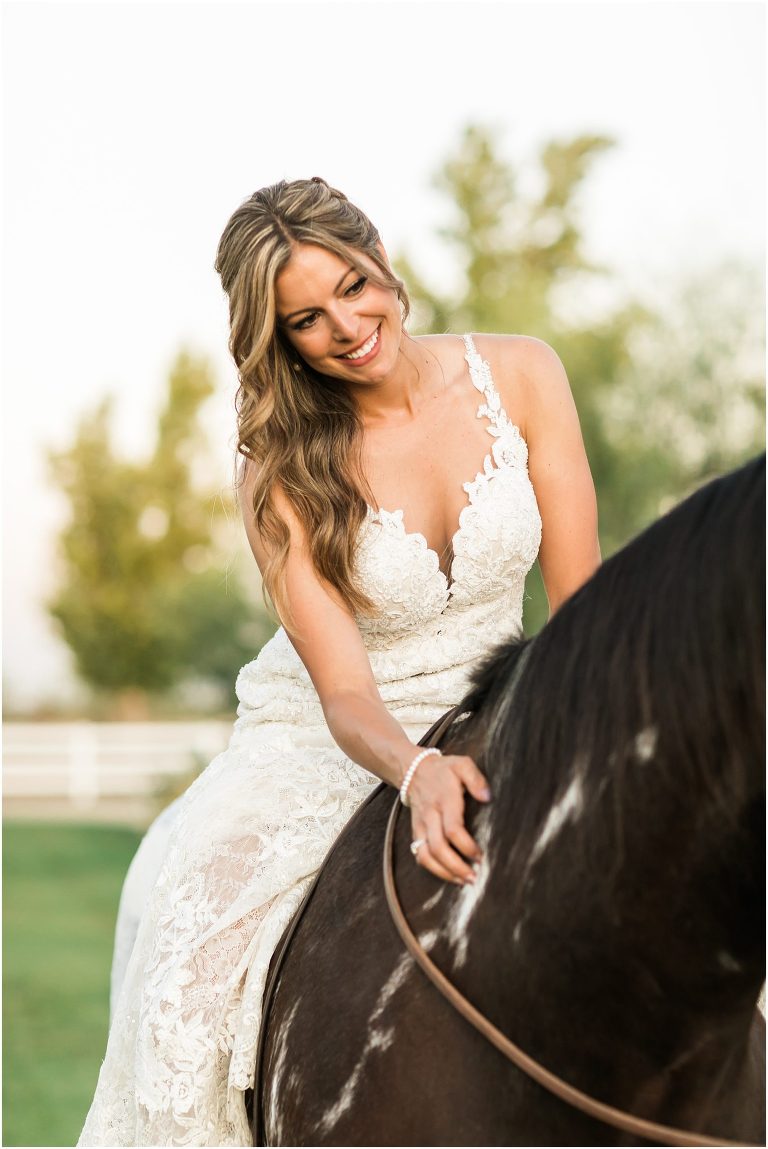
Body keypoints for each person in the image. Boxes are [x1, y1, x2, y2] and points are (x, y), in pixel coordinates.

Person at [79, 176, 600, 1146]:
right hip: (333, 736)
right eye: (307, 320)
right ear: (278, 340)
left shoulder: (523, 375)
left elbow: (581, 607)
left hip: (503, 692)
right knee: (184, 966)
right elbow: (345, 690)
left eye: (355, 287)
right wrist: (417, 770)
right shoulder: (280, 466)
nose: (348, 327)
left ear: (382, 260)